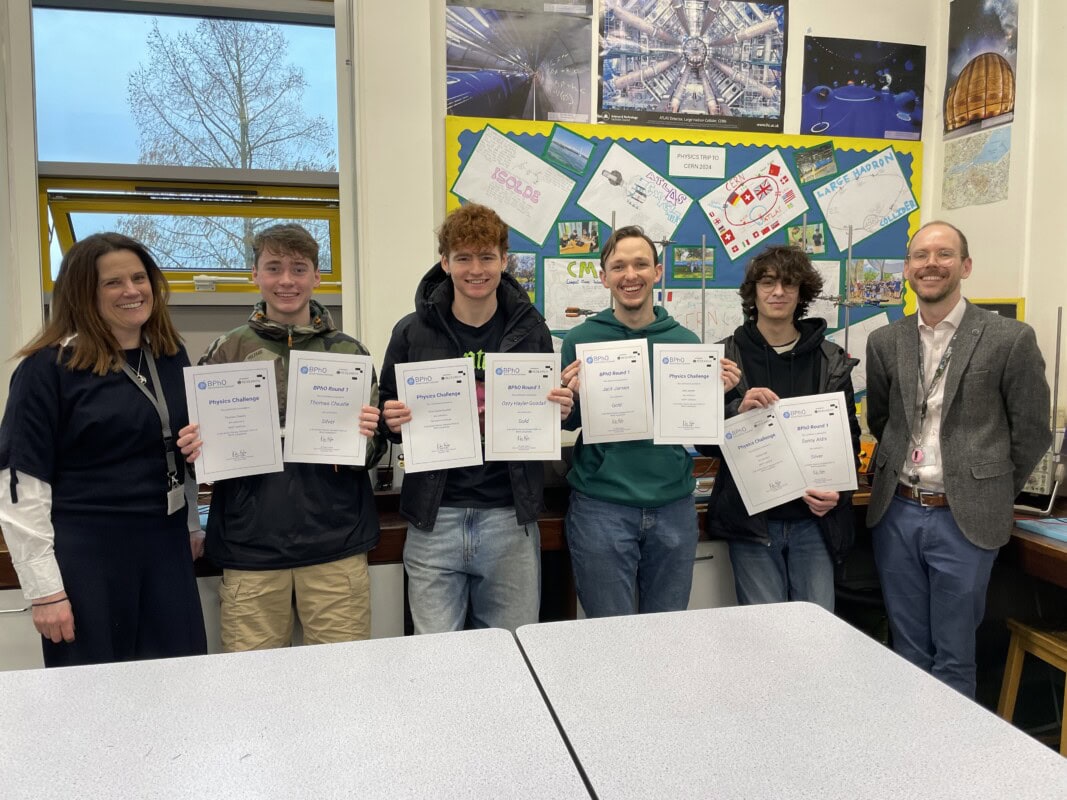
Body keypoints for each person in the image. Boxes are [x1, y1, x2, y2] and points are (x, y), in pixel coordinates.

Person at [0, 232, 207, 667]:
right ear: (82, 292)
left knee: (180, 683)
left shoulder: (169, 355)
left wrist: (190, 524)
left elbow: (175, 449)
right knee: (91, 699)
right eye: (113, 282)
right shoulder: (47, 369)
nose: (132, 291)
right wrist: (45, 592)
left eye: (139, 277)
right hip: (88, 555)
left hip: (165, 547)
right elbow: (21, 486)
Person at [866, 220, 1051, 698]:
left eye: (944, 254)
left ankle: (950, 766)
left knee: (953, 655)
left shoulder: (1009, 338)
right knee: (907, 649)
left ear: (965, 266)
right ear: (907, 269)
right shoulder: (886, 342)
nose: (932, 264)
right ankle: (908, 758)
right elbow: (884, 419)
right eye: (921, 256)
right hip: (898, 511)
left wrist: (986, 489)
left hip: (963, 520)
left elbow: (1032, 430)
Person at [177, 224, 383, 651]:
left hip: (335, 546)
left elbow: (376, 450)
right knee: (254, 691)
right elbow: (199, 457)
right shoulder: (224, 351)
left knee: (344, 682)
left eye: (298, 268)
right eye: (273, 268)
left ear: (316, 276)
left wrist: (368, 437)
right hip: (250, 549)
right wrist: (196, 448)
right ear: (255, 275)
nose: (286, 280)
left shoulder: (350, 353)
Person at [379, 203, 573, 634]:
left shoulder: (532, 330)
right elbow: (385, 414)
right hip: (435, 517)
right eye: (463, 257)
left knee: (513, 651)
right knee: (437, 658)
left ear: (505, 261)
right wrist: (389, 419)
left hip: (509, 517)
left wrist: (560, 410)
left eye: (487, 257)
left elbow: (545, 412)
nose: (476, 269)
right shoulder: (411, 331)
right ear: (445, 262)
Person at [560, 225, 740, 617]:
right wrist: (563, 401)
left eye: (641, 264)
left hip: (674, 506)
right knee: (609, 637)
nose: (631, 275)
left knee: (667, 635)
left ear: (658, 272)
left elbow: (699, 430)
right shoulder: (580, 340)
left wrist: (720, 396)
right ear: (603, 276)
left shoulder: (688, 342)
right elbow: (570, 421)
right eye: (619, 265)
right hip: (601, 509)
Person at [699, 245, 861, 611]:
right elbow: (702, 443)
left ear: (802, 293)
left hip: (815, 523)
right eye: (768, 282)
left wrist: (840, 494)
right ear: (753, 291)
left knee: (817, 633)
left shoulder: (831, 359)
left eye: (789, 284)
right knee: (763, 636)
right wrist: (734, 410)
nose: (778, 292)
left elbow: (848, 441)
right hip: (752, 524)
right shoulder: (724, 357)